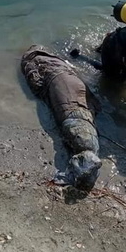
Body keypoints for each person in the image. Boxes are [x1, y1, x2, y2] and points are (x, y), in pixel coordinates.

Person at [21, 45, 102, 190]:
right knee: (85, 138)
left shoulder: (34, 63)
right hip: (72, 85)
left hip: (70, 105)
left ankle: (80, 172)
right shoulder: (55, 63)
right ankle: (82, 171)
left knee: (84, 141)